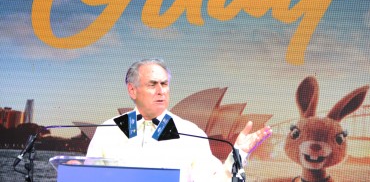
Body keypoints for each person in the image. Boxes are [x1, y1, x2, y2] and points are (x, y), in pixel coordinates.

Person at [86, 58, 272, 181]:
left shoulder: (191, 134)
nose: (161, 91)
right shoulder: (109, 131)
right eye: (152, 84)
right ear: (132, 90)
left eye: (164, 84)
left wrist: (238, 155)